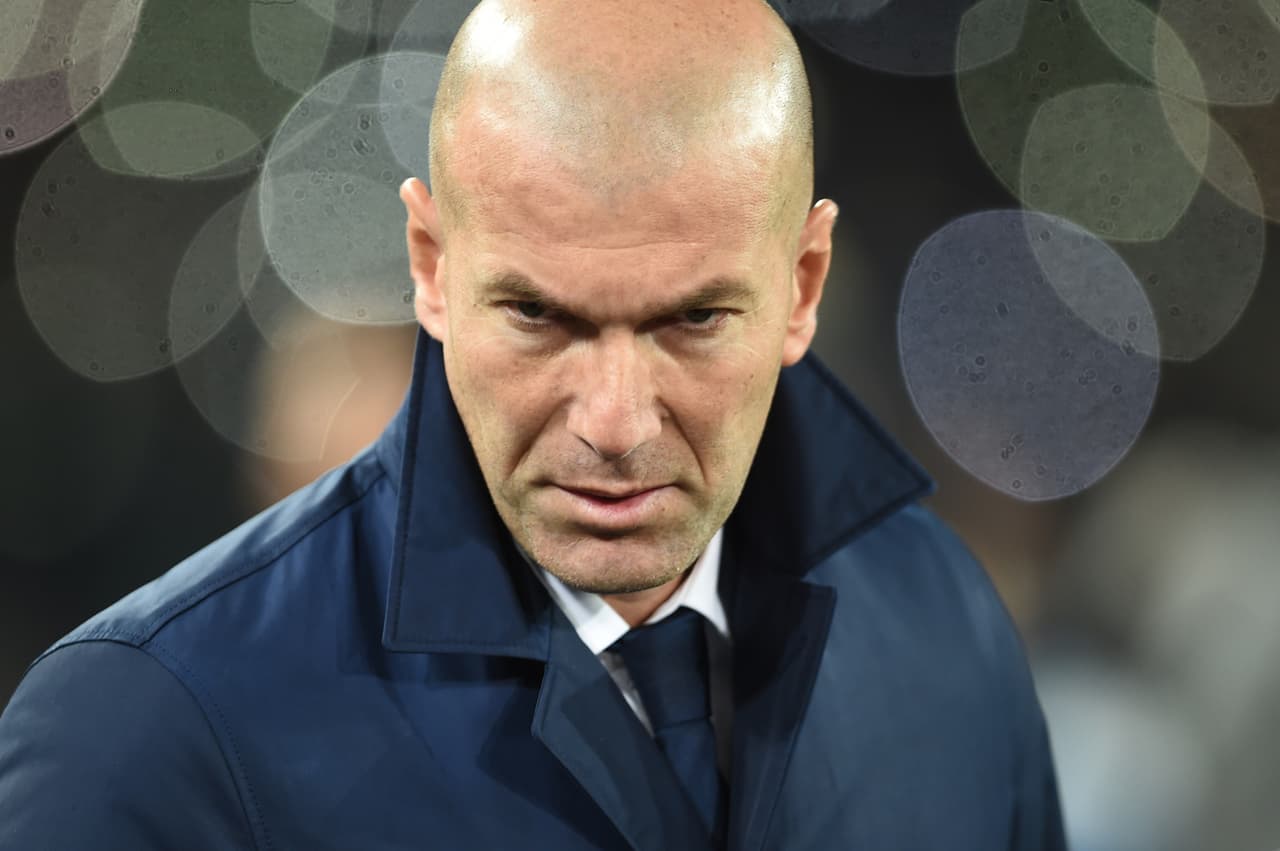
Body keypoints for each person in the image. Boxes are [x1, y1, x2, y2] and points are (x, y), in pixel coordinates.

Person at [0, 0, 1066, 848]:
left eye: (693, 320)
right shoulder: (148, 729)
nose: (614, 422)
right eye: (538, 316)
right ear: (429, 267)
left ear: (804, 284)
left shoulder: (946, 627)